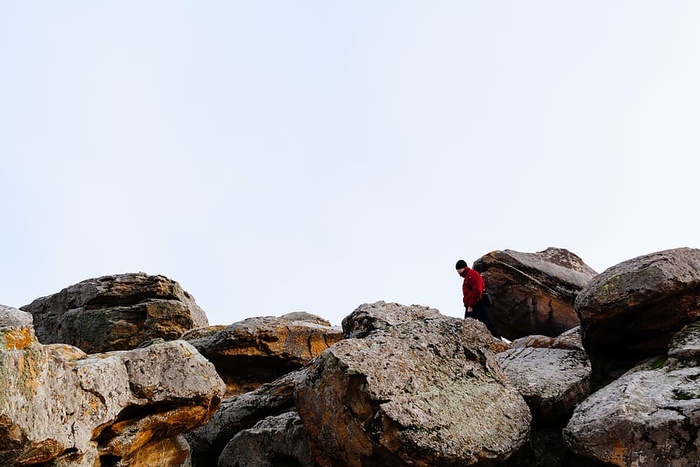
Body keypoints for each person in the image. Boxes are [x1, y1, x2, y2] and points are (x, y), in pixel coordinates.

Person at [455, 259, 503, 339]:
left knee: (485, 323)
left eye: (458, 270)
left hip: (476, 304)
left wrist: (470, 305)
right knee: (469, 325)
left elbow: (477, 291)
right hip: (473, 303)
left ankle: (498, 339)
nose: (458, 272)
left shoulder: (471, 275)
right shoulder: (468, 276)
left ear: (462, 268)